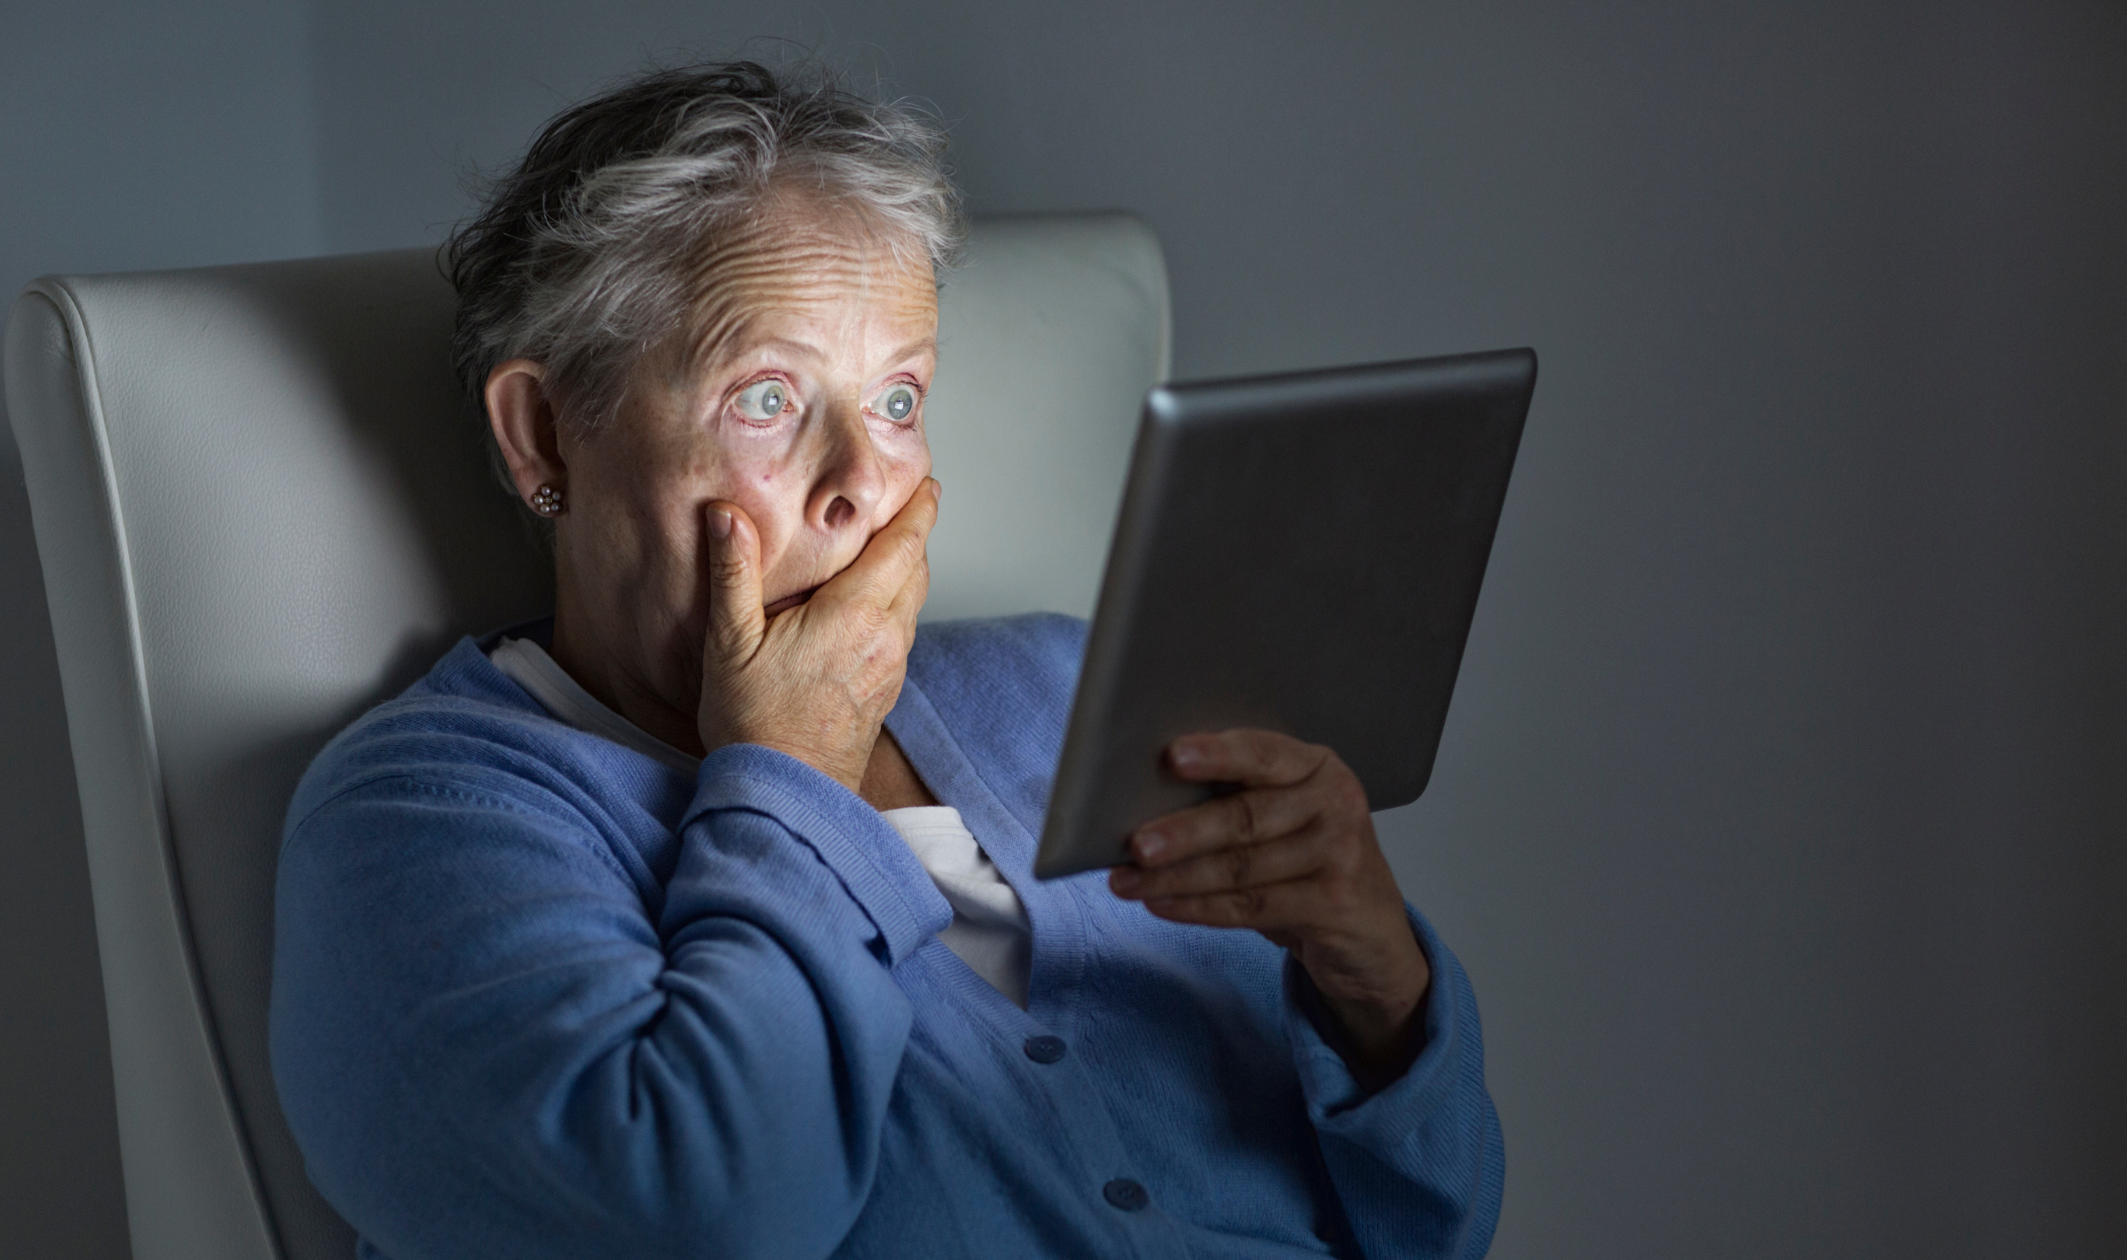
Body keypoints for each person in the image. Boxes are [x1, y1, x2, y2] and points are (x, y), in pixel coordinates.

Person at [270, 62, 1503, 1260]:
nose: (864, 480)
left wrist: (1374, 978)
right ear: (545, 433)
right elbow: (708, 1220)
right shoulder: (416, 817)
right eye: (765, 398)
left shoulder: (1064, 686)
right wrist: (789, 764)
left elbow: (1431, 1228)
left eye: (899, 399)